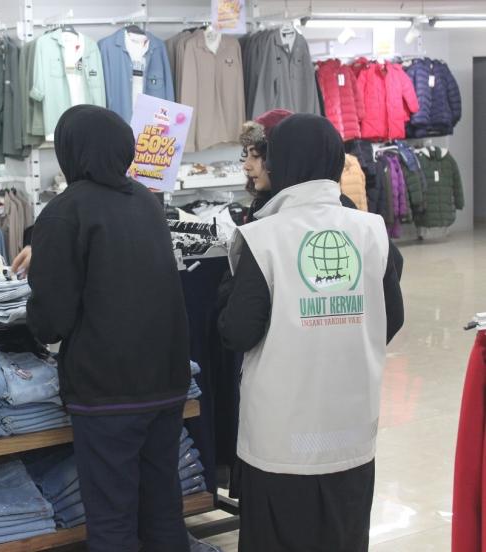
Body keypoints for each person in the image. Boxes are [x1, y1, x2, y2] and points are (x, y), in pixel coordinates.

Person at [218, 114, 404, 551]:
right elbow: (391, 317)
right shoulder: (371, 230)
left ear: (281, 162)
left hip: (282, 439)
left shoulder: (263, 237)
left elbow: (237, 331)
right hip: (351, 431)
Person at [26, 105, 192, 552]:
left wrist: (34, 317)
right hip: (167, 380)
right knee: (162, 509)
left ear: (70, 151)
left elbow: (51, 320)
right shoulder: (147, 201)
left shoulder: (64, 212)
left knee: (112, 519)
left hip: (107, 389)